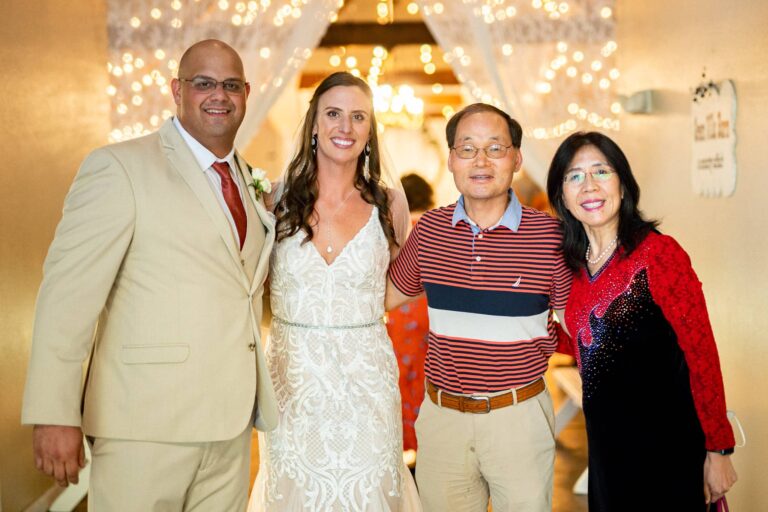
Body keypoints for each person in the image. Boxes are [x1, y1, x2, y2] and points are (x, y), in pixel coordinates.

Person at [21, 39, 278, 510]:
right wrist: (54, 413)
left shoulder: (247, 179)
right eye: (203, 83)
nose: (218, 95)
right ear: (177, 90)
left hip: (231, 427)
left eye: (230, 85)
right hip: (143, 424)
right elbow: (66, 298)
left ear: (246, 94)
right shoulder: (119, 167)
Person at [386, 103, 572, 512]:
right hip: (443, 419)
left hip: (518, 416)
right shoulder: (430, 231)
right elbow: (382, 297)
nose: (481, 160)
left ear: (517, 158)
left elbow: (579, 322)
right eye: (467, 148)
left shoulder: (549, 236)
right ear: (451, 160)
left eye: (495, 148)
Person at [248, 72, 421, 511]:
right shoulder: (272, 200)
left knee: (371, 493)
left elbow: (399, 284)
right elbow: (252, 285)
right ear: (313, 124)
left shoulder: (389, 204)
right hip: (292, 380)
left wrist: (355, 312)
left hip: (367, 379)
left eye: (358, 116)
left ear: (370, 130)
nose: (345, 127)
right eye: (333, 114)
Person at [545, 131, 737, 511]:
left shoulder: (659, 254)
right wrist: (530, 328)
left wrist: (719, 449)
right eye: (574, 176)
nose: (589, 185)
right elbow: (590, 344)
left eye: (601, 171)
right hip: (606, 453)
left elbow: (701, 353)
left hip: (667, 449)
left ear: (623, 183)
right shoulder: (575, 271)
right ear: (563, 196)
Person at [386, 173, 433, 456]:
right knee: (432, 375)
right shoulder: (436, 228)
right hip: (431, 310)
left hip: (401, 310)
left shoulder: (398, 229)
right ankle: (429, 441)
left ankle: (405, 443)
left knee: (402, 376)